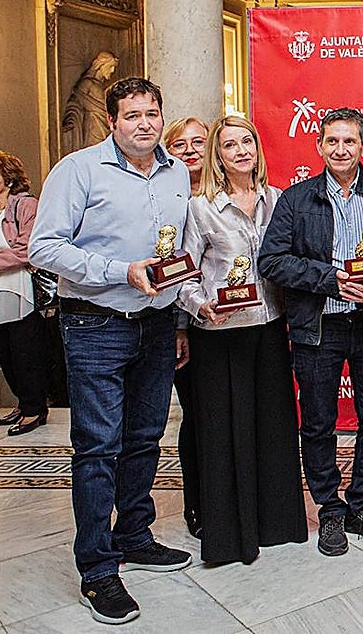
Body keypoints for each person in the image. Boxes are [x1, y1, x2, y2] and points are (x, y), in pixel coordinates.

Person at [30, 77, 193, 626]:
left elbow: (179, 249)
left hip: (156, 323)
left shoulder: (177, 173)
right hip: (96, 325)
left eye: (153, 113)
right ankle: (98, 569)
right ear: (111, 121)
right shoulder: (77, 170)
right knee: (98, 447)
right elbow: (44, 247)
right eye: (132, 116)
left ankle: (134, 536)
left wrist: (180, 310)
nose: (145, 124)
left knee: (145, 439)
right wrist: (118, 272)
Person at [258, 107, 363, 557]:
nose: (341, 149)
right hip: (318, 327)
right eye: (333, 141)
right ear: (320, 146)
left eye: (350, 141)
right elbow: (271, 260)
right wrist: (330, 279)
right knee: (320, 423)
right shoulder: (296, 198)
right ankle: (329, 508)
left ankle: (361, 504)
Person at [176, 115, 307, 563]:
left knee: (272, 430)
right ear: (219, 154)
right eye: (229, 145)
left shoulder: (279, 200)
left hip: (270, 329)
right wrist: (200, 306)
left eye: (247, 141)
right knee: (223, 435)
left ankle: (277, 524)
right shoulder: (201, 208)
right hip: (219, 333)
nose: (241, 151)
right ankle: (231, 535)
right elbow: (182, 273)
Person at [162, 116, 208, 538]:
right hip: (183, 325)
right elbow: (174, 272)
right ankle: (196, 504)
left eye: (200, 141)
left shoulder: (219, 194)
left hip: (228, 324)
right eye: (180, 144)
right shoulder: (167, 201)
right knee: (196, 416)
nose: (191, 150)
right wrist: (180, 327)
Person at [0, 151, 49, 436]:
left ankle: (34, 409)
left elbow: (28, 249)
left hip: (19, 288)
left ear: (8, 176)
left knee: (24, 352)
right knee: (4, 353)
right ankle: (22, 401)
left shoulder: (25, 205)